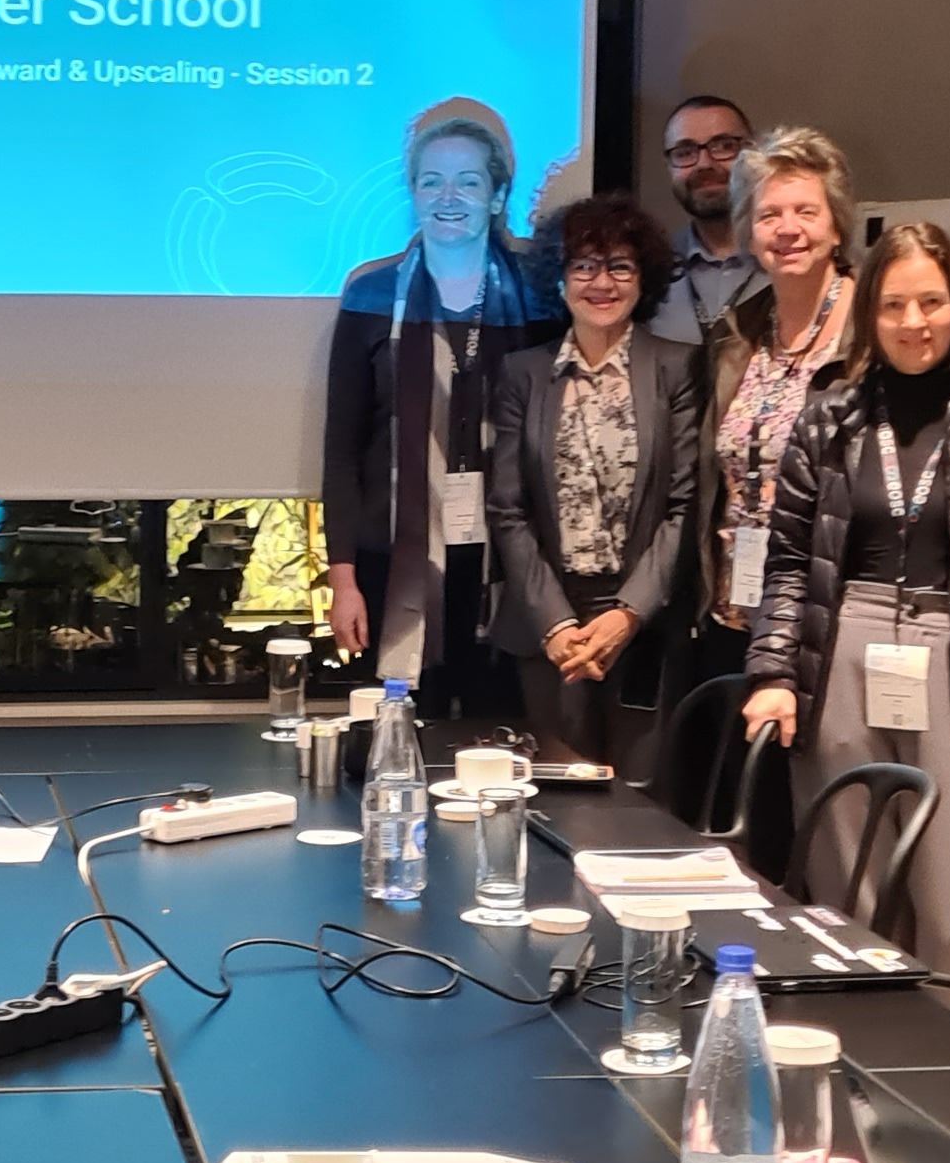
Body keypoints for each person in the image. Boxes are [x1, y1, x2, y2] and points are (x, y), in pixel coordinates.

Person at [739, 220, 950, 969]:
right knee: (847, 899)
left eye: (930, 302)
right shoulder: (828, 418)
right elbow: (789, 564)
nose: (913, 322)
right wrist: (773, 673)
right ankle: (854, 1039)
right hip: (841, 651)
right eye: (893, 305)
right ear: (869, 314)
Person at [320, 100, 564, 718]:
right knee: (399, 735)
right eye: (431, 181)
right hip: (391, 561)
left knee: (498, 738)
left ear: (497, 194)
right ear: (413, 192)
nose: (447, 198)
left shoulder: (540, 295)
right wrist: (343, 581)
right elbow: (342, 448)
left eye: (468, 182)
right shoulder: (370, 293)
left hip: (508, 561)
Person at [483, 193, 701, 770]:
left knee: (641, 799)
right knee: (559, 792)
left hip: (643, 622)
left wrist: (628, 613)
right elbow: (508, 509)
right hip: (548, 625)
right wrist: (556, 623)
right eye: (583, 266)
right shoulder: (524, 373)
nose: (602, 283)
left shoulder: (677, 368)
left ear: (643, 279)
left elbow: (686, 505)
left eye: (620, 267)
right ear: (558, 278)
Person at [688, 126, 859, 709]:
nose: (788, 229)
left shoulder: (870, 336)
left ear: (836, 225)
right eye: (769, 215)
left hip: (827, 623)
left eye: (806, 211)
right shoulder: (734, 336)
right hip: (731, 615)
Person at [641, 94, 761, 345]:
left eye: (724, 146)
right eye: (685, 152)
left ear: (753, 153)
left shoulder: (793, 258)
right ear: (669, 166)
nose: (704, 164)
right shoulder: (649, 268)